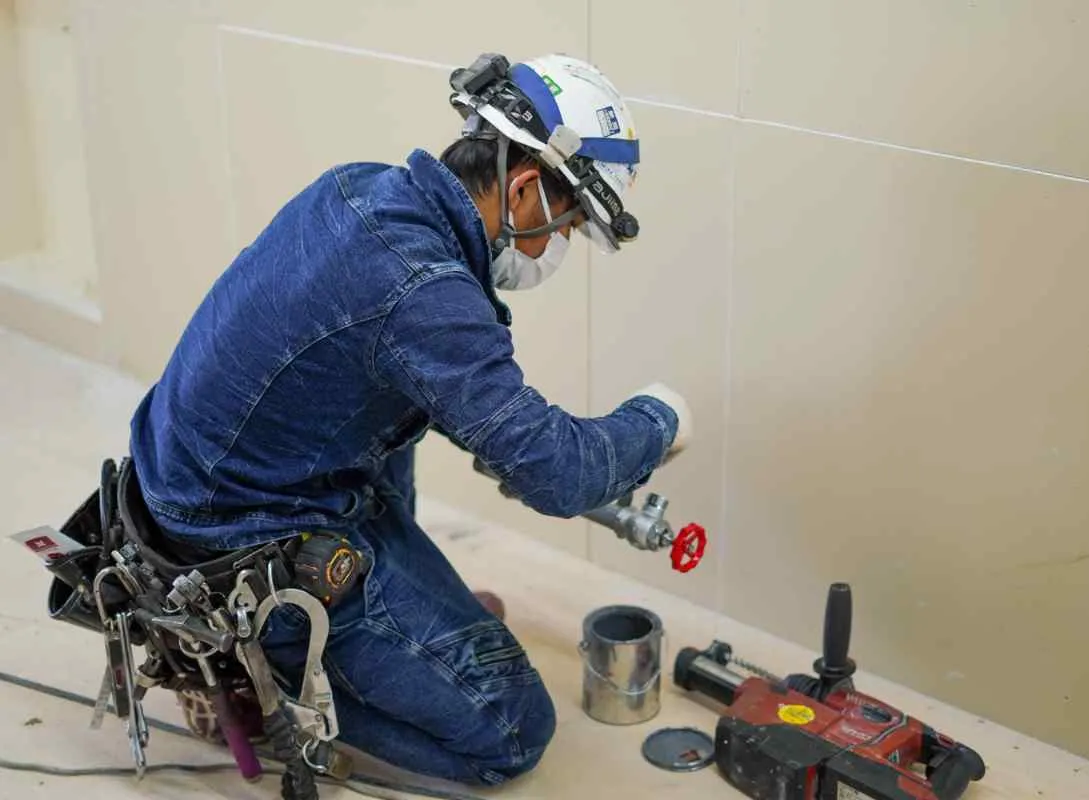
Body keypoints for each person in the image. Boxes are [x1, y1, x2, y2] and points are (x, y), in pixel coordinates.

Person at [126, 52, 692, 785]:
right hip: (238, 537)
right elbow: (560, 474)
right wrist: (660, 419)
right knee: (514, 731)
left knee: (403, 411)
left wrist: (503, 431)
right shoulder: (421, 288)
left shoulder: (365, 188)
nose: (556, 246)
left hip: (190, 472)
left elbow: (421, 365)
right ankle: (251, 675)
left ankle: (400, 641)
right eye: (566, 225)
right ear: (524, 188)